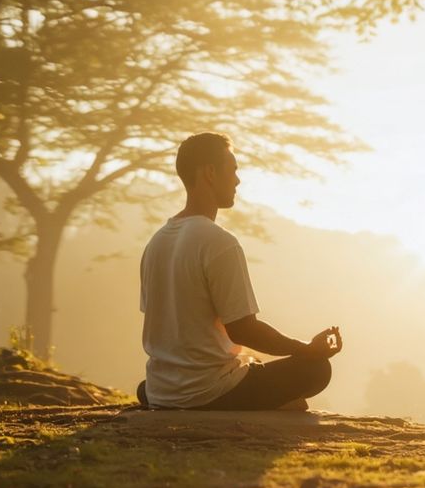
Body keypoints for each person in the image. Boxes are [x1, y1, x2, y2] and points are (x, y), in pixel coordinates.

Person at [136, 132, 342, 411]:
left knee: (145, 388)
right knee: (317, 370)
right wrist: (306, 349)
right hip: (212, 393)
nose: (237, 180)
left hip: (161, 392)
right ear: (210, 173)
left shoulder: (156, 243)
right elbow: (244, 330)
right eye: (232, 170)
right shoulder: (219, 242)